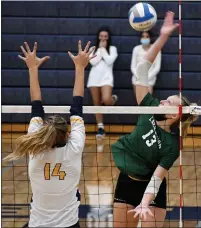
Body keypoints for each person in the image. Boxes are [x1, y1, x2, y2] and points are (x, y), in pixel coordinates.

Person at [112, 12, 198, 228]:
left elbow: (157, 178)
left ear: (174, 115)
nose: (162, 100)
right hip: (127, 180)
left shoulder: (172, 145)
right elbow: (141, 69)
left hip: (152, 190)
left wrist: (144, 203)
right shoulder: (148, 106)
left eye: (168, 101)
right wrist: (163, 37)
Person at [4, 40, 95, 228]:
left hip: (38, 224)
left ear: (44, 132)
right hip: (69, 225)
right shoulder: (75, 148)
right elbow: (76, 108)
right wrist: (80, 67)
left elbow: (36, 107)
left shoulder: (35, 150)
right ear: (68, 135)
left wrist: (32, 69)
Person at [87, 26, 118, 138]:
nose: (103, 39)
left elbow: (110, 61)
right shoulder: (93, 49)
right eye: (101, 36)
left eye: (105, 37)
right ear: (98, 37)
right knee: (96, 104)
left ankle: (112, 99)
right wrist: (99, 50)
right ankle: (100, 127)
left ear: (108, 38)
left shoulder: (113, 49)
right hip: (94, 79)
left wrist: (103, 50)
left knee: (106, 99)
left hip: (106, 79)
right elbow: (93, 62)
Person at [131, 30, 161, 95]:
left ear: (150, 38)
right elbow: (133, 66)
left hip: (149, 79)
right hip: (137, 78)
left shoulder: (156, 49)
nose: (145, 38)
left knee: (147, 102)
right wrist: (138, 76)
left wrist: (147, 78)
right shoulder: (136, 49)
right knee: (140, 101)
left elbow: (157, 67)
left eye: (147, 36)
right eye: (143, 36)